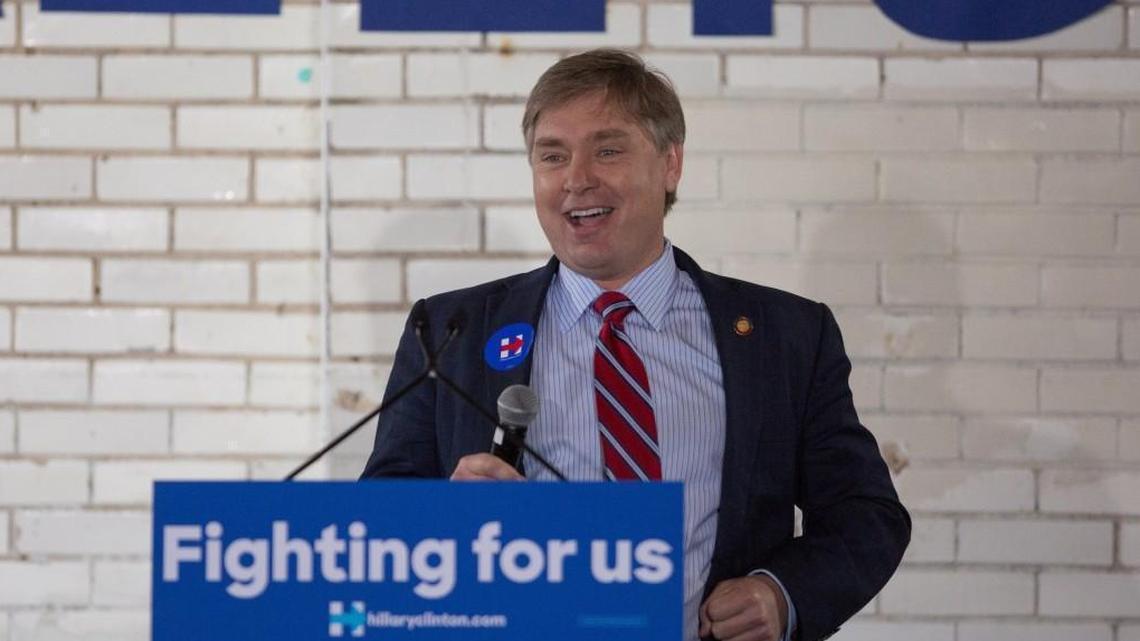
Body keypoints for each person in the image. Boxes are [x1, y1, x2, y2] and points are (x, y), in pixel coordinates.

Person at [362, 49, 910, 641]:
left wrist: (781, 594)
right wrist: (443, 521)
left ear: (670, 164)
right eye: (552, 156)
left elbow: (865, 515)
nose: (576, 178)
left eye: (607, 149)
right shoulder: (450, 331)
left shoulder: (787, 336)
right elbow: (378, 521)